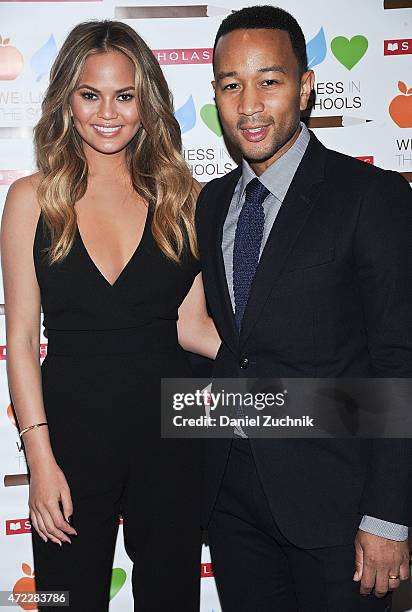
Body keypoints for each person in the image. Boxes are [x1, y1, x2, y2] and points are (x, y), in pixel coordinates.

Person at [195, 5, 412, 611]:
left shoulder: (373, 197)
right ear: (215, 93)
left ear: (307, 86)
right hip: (233, 500)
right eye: (231, 85)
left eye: (270, 80)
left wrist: (389, 516)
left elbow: (400, 360)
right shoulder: (211, 204)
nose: (250, 104)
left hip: (340, 508)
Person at [1, 20, 220, 612]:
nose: (108, 112)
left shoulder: (187, 198)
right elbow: (20, 340)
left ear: (146, 103)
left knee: (172, 598)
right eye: (90, 94)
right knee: (63, 599)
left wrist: (291, 376)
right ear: (67, 102)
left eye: (124, 95)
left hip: (173, 437)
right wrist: (40, 462)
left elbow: (192, 326)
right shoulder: (31, 198)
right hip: (70, 440)